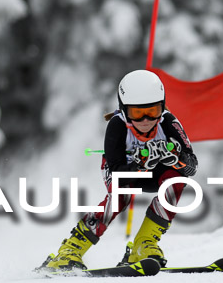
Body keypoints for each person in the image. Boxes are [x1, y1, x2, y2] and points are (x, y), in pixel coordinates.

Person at [38, 70, 198, 271]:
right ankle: (71, 249)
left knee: (176, 180)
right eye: (137, 113)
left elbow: (192, 166)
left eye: (153, 110)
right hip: (122, 171)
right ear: (124, 110)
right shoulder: (117, 125)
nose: (146, 119)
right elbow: (115, 172)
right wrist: (139, 165)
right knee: (120, 195)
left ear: (162, 107)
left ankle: (144, 244)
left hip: (156, 173)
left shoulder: (169, 122)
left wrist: (178, 158)